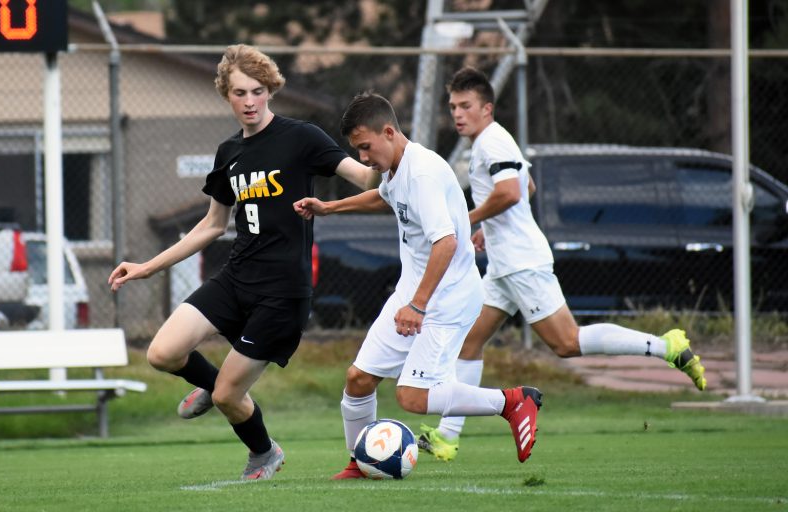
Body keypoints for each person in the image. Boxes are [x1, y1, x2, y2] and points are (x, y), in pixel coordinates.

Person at [108, 44, 379, 481]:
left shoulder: (301, 137)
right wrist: (146, 267)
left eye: (257, 91)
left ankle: (263, 453)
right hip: (237, 277)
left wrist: (388, 154)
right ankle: (211, 386)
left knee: (230, 397)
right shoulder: (228, 152)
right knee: (162, 352)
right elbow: (212, 225)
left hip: (282, 291)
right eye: (239, 93)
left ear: (270, 90)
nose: (249, 101)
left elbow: (365, 176)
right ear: (226, 95)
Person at [416, 66, 707, 464]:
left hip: (521, 263)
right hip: (504, 264)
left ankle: (665, 346)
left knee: (566, 343)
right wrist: (490, 226)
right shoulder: (494, 142)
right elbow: (527, 187)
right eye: (452, 106)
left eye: (466, 106)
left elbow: (510, 192)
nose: (458, 114)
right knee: (469, 340)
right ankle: (447, 437)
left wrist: (470, 220)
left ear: (487, 108)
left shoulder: (491, 142)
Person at [292, 92, 543, 479]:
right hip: (414, 295)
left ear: (388, 132)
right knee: (359, 380)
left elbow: (447, 242)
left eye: (365, 147)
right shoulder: (397, 170)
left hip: (448, 299)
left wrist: (419, 305)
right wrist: (330, 208)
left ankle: (511, 401)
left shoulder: (423, 172)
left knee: (412, 397)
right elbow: (385, 198)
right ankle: (361, 463)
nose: (362, 158)